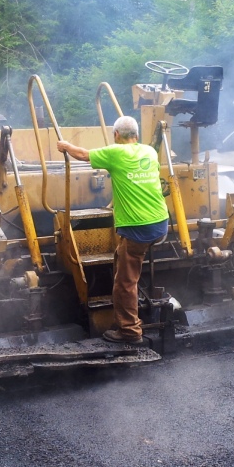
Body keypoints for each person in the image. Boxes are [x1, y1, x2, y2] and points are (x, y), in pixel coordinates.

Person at [57, 115, 169, 344]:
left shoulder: (116, 153)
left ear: (116, 135)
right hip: (161, 223)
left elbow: (83, 155)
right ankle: (129, 314)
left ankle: (129, 331)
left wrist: (65, 146)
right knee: (124, 257)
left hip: (139, 228)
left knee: (125, 283)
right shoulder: (149, 152)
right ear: (136, 135)